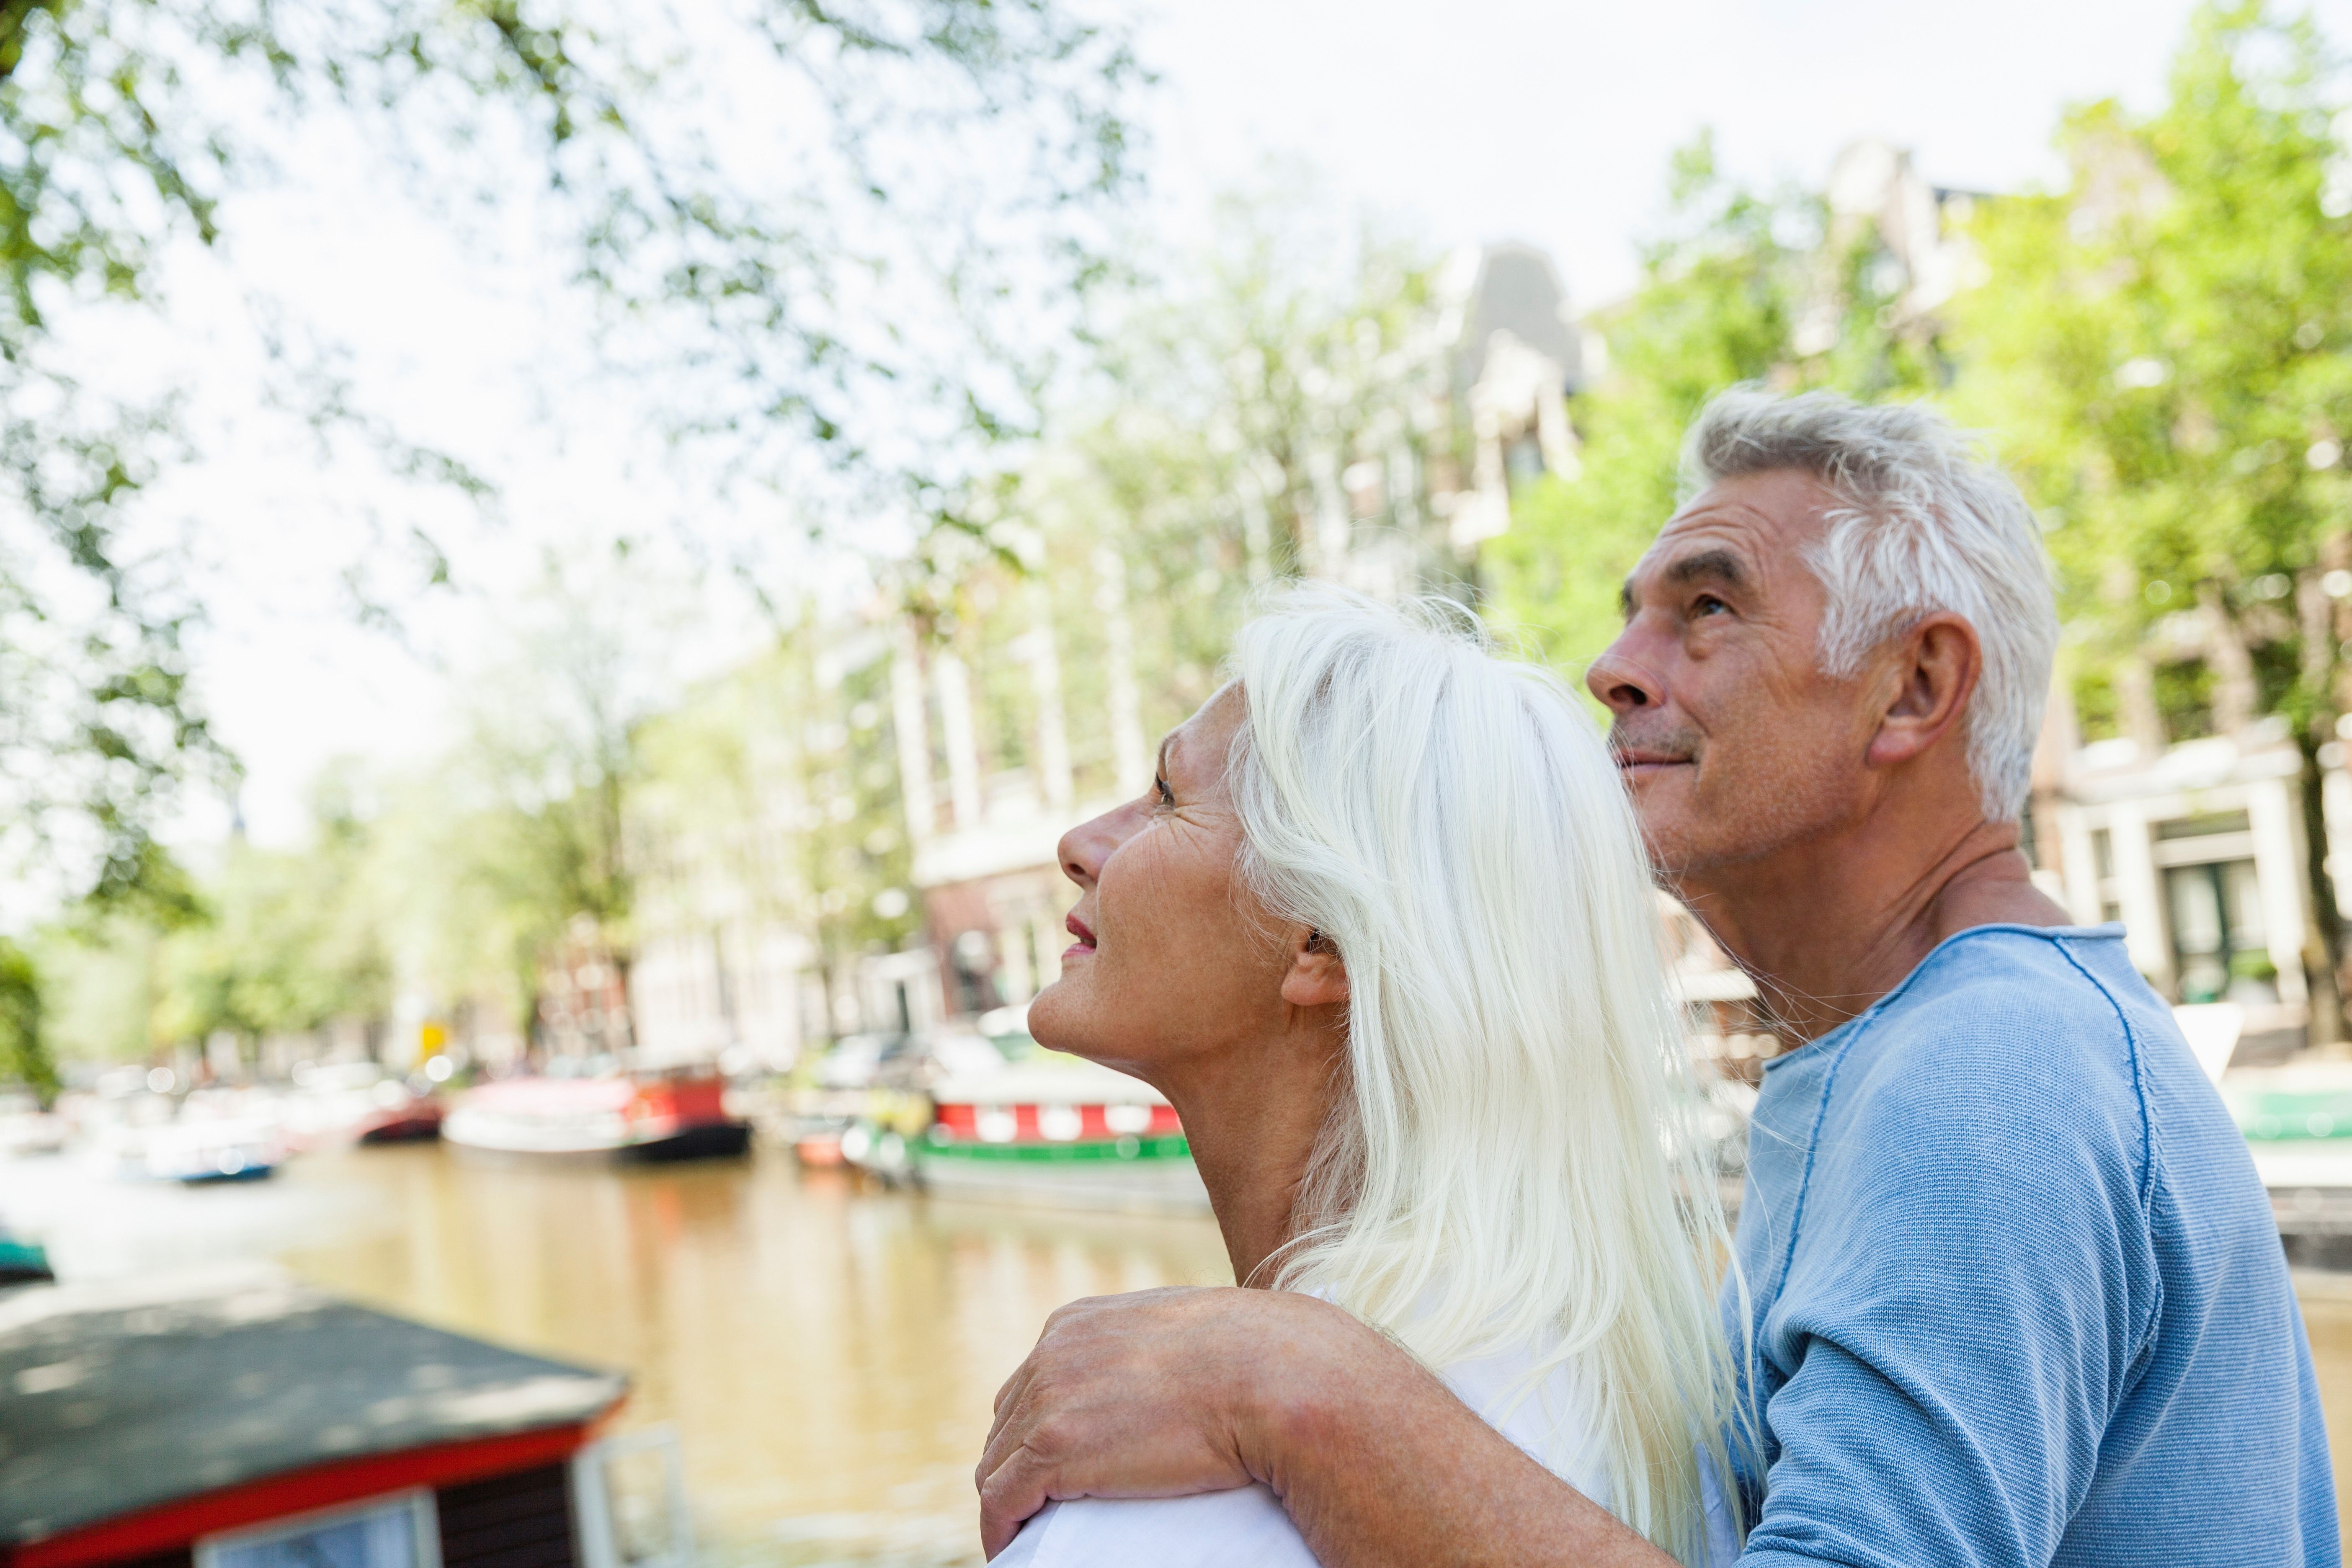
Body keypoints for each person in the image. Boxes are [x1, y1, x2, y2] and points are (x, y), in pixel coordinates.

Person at [979, 389, 2340, 1568]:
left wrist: (1293, 1379)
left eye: (1704, 609)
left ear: (1915, 685)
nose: (1611, 672)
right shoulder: (1924, 1049)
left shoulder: (1987, 1071)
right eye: (1629, 617)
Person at [988, 584, 1745, 1566]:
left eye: (1168, 797)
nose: (1081, 844)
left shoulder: (1155, 1511)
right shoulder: (1641, 1414)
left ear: (1324, 940)